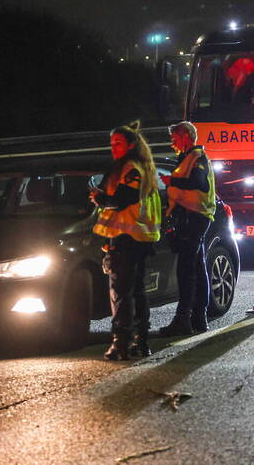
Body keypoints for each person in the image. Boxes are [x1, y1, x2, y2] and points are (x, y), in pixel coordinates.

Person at [91, 121, 162, 360]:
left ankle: (120, 343)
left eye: (118, 144)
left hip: (128, 239)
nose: (113, 148)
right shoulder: (141, 167)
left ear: (131, 145)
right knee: (137, 291)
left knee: (120, 292)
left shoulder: (130, 168)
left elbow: (124, 199)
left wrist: (101, 198)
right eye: (111, 144)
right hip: (138, 238)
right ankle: (140, 341)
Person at [158, 121, 216, 336]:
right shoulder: (188, 158)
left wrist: (172, 181)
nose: (172, 141)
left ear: (185, 136)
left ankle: (183, 319)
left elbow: (198, 182)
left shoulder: (195, 157)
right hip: (194, 216)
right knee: (197, 269)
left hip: (195, 217)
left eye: (175, 137)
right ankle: (199, 319)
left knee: (186, 270)